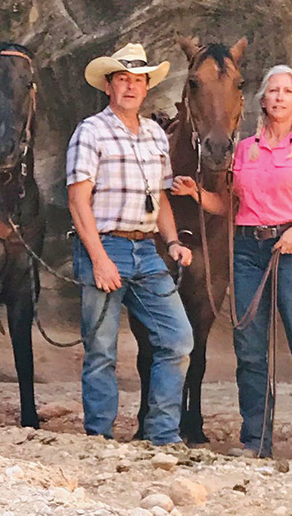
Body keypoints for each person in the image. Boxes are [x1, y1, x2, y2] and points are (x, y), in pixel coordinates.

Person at [172, 64, 292, 461]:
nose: (279, 97)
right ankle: (255, 440)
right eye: (273, 90)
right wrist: (197, 194)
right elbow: (229, 205)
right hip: (248, 250)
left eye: (287, 91)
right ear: (262, 99)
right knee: (250, 349)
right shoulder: (243, 151)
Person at [67, 41, 194, 443]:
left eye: (138, 80)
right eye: (123, 79)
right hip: (106, 245)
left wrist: (172, 241)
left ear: (146, 87)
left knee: (177, 339)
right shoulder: (91, 132)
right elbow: (77, 200)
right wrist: (99, 259)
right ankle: (99, 437)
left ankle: (162, 434)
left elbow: (161, 197)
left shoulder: (156, 135)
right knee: (102, 349)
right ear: (109, 85)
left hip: (147, 250)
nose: (131, 87)